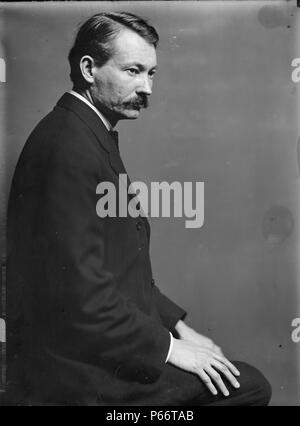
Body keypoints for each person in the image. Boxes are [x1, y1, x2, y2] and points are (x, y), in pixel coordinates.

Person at [6, 12, 271, 406]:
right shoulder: (67, 147)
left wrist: (177, 326)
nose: (147, 88)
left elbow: (115, 270)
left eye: (151, 73)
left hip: (94, 354)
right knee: (249, 387)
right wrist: (169, 348)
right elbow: (82, 297)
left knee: (236, 377)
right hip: (77, 375)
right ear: (88, 69)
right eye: (133, 71)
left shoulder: (87, 133)